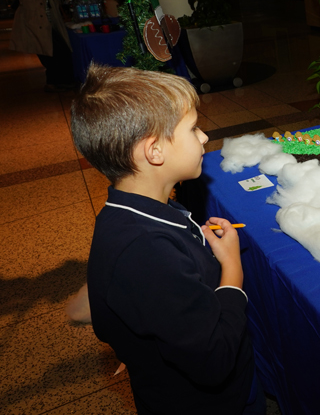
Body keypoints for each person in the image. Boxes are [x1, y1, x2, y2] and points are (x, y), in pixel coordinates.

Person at [71, 64, 263, 414]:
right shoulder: (146, 252)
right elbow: (215, 358)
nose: (204, 137)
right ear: (154, 151)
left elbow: (114, 316)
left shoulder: (134, 213)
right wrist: (232, 270)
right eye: (193, 129)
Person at [3, 0, 75, 91]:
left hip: (49, 23)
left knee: (57, 52)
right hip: (34, 24)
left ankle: (54, 82)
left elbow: (49, 2)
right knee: (51, 53)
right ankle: (59, 82)